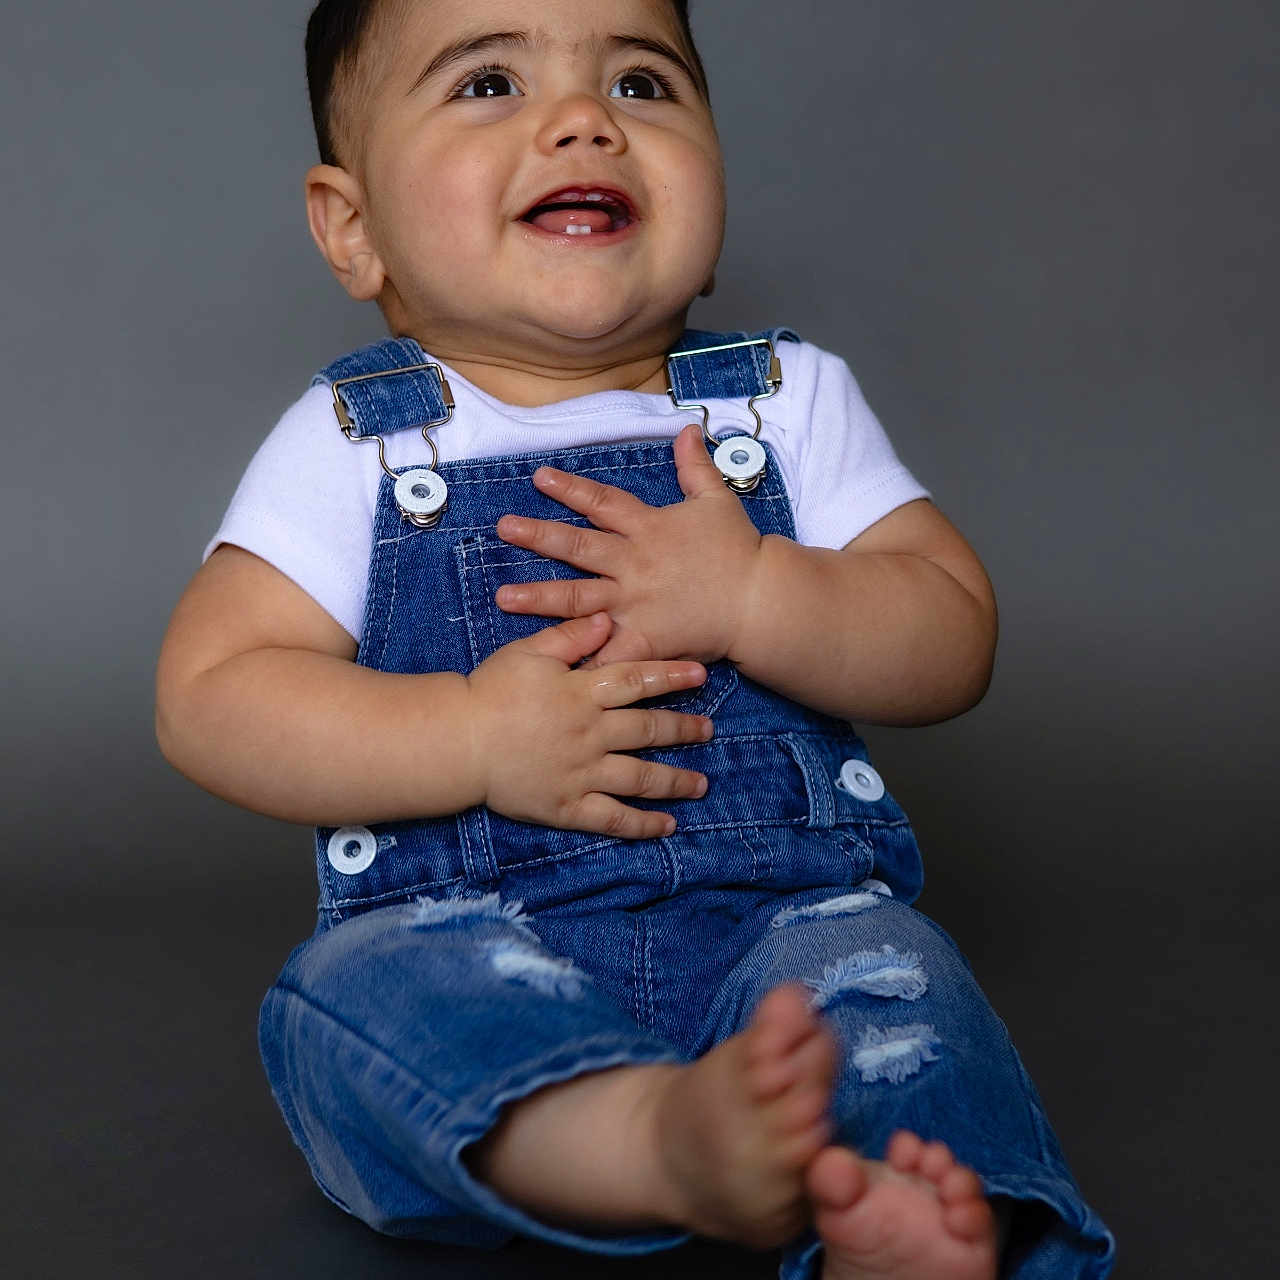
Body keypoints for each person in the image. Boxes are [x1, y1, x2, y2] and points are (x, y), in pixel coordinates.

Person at [155, 1, 1115, 1276]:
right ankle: (646, 1141)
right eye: (489, 82)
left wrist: (761, 591)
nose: (581, 120)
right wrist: (468, 734)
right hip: (463, 926)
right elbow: (212, 693)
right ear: (354, 226)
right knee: (354, 999)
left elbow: (949, 634)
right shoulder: (357, 442)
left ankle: (912, 1215)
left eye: (645, 84)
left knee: (893, 987)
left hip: (785, 921)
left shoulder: (781, 406)